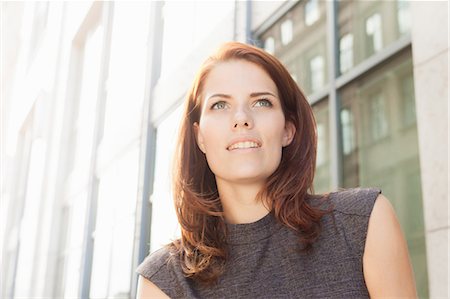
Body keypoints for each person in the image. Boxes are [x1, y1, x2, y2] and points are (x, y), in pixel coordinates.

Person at [136, 42, 417, 298]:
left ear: (288, 130)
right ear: (199, 137)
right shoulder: (165, 279)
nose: (242, 119)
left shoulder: (362, 223)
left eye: (262, 102)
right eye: (220, 104)